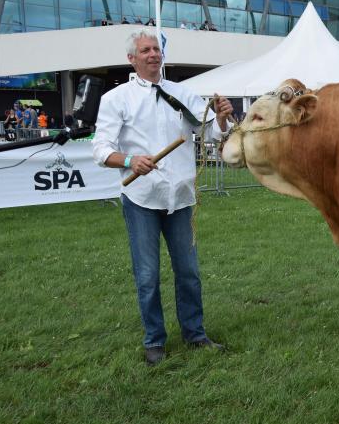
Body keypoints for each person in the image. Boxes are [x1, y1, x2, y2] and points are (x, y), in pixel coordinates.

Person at [92, 28, 233, 366]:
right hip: (141, 198)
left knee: (189, 272)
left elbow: (211, 133)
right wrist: (129, 161)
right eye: (145, 50)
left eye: (156, 49)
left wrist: (224, 118)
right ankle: (154, 340)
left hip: (180, 198)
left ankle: (195, 334)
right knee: (147, 276)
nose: (153, 54)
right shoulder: (117, 99)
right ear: (132, 58)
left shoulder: (183, 94)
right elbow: (101, 148)